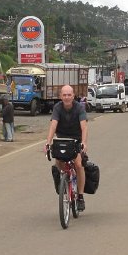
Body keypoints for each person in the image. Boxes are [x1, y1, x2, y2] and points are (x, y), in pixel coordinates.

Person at [45, 84, 89, 212]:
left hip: (76, 139)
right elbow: (53, 125)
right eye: (64, 95)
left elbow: (84, 127)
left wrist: (84, 143)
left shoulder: (79, 108)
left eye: (69, 95)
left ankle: (80, 196)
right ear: (60, 96)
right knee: (58, 161)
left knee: (79, 164)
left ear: (73, 96)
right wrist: (48, 142)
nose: (67, 97)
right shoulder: (57, 108)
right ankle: (61, 176)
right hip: (62, 138)